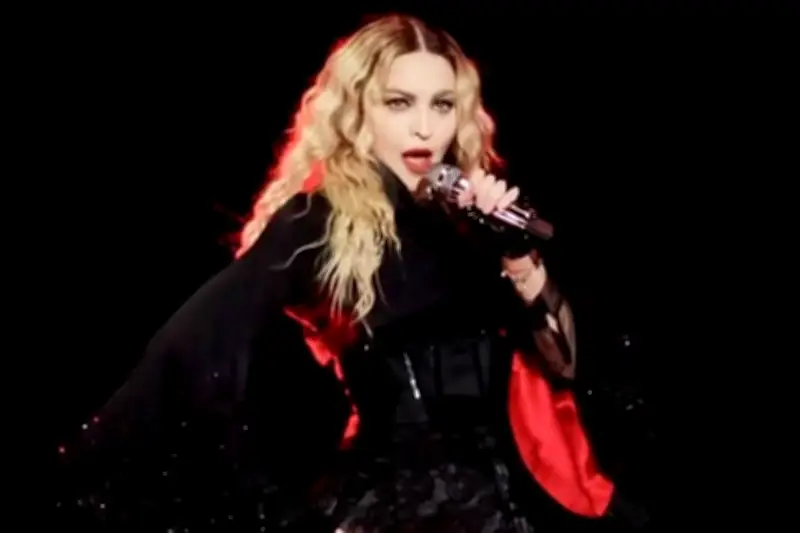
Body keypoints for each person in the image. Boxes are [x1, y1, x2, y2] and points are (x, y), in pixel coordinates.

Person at [57, 14, 644, 532]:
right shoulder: (318, 219)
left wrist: (516, 255)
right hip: (400, 505)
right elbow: (197, 341)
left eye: (442, 105)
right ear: (359, 112)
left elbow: (565, 366)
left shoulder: (471, 223)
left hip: (510, 501)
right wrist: (100, 458)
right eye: (399, 103)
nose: (424, 128)